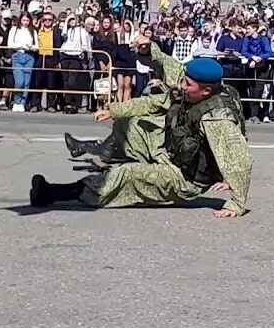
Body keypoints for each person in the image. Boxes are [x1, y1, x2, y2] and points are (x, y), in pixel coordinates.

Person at [31, 52, 253, 218]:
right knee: (133, 126)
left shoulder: (217, 117)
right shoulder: (196, 91)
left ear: (206, 91)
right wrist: (114, 111)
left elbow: (239, 156)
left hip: (186, 178)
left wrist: (235, 199)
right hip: (172, 152)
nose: (183, 86)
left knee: (127, 175)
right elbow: (154, 99)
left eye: (188, 84)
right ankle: (106, 155)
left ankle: (52, 193)